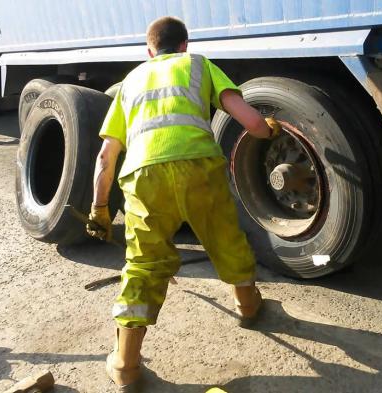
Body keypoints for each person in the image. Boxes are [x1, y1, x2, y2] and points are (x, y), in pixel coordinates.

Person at [86, 15, 281, 392]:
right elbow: (248, 120)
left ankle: (125, 366)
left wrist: (99, 210)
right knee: (225, 238)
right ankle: (248, 307)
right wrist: (267, 129)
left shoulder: (130, 82)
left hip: (143, 177)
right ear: (184, 45)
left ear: (149, 51)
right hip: (198, 167)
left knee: (143, 265)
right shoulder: (199, 64)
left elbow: (105, 157)